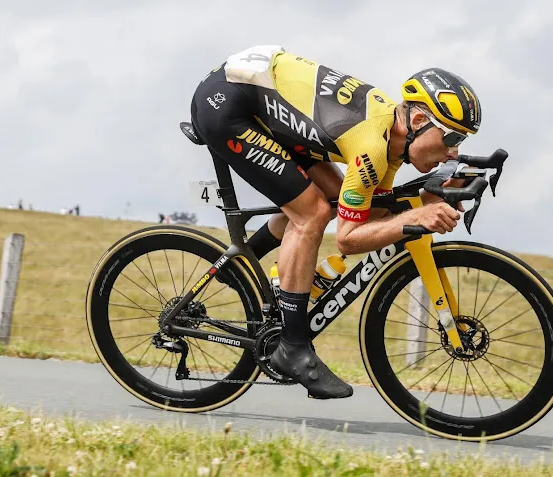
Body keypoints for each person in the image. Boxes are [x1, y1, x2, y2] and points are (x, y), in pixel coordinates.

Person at [190, 45, 482, 399]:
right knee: (311, 213)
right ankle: (292, 347)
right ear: (419, 121)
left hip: (261, 98)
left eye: (460, 141)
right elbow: (348, 239)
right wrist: (417, 215)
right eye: (452, 137)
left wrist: (429, 201)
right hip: (229, 105)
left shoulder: (392, 142)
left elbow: (373, 215)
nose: (453, 152)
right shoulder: (372, 144)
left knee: (329, 201)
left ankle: (241, 265)